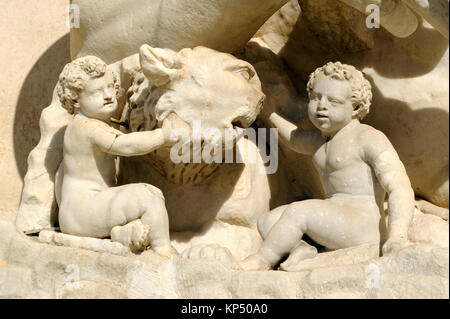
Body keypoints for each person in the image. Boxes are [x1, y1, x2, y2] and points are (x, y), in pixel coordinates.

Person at [241, 62, 415, 271]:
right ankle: (301, 249)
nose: (321, 105)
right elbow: (293, 138)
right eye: (315, 97)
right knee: (268, 221)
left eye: (333, 101)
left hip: (363, 224)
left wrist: (397, 235)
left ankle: (263, 260)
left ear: (356, 107)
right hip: (335, 214)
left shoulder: (368, 138)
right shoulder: (318, 140)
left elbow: (400, 187)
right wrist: (269, 113)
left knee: (298, 212)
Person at [56, 56, 180, 256]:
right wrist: (163, 136)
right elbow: (124, 146)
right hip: (85, 210)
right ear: (75, 100)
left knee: (133, 212)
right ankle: (163, 253)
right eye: (97, 92)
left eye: (110, 87)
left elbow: (61, 174)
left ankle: (121, 235)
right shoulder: (89, 127)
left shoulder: (76, 127)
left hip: (73, 215)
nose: (107, 96)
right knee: (149, 197)